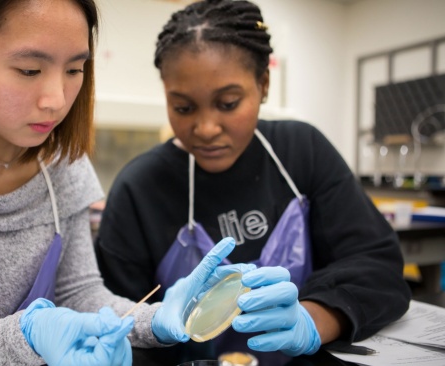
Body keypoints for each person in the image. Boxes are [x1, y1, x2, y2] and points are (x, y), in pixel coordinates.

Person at [0, 0, 251, 365]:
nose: (56, 100)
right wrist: (25, 338)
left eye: (74, 70)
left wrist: (157, 318)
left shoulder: (63, 163)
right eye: (29, 70)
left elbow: (79, 294)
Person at [95, 0, 412, 364]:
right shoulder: (140, 189)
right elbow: (118, 318)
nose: (206, 129)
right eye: (183, 108)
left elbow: (377, 264)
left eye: (228, 103)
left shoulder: (301, 152)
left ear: (263, 84)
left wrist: (311, 320)